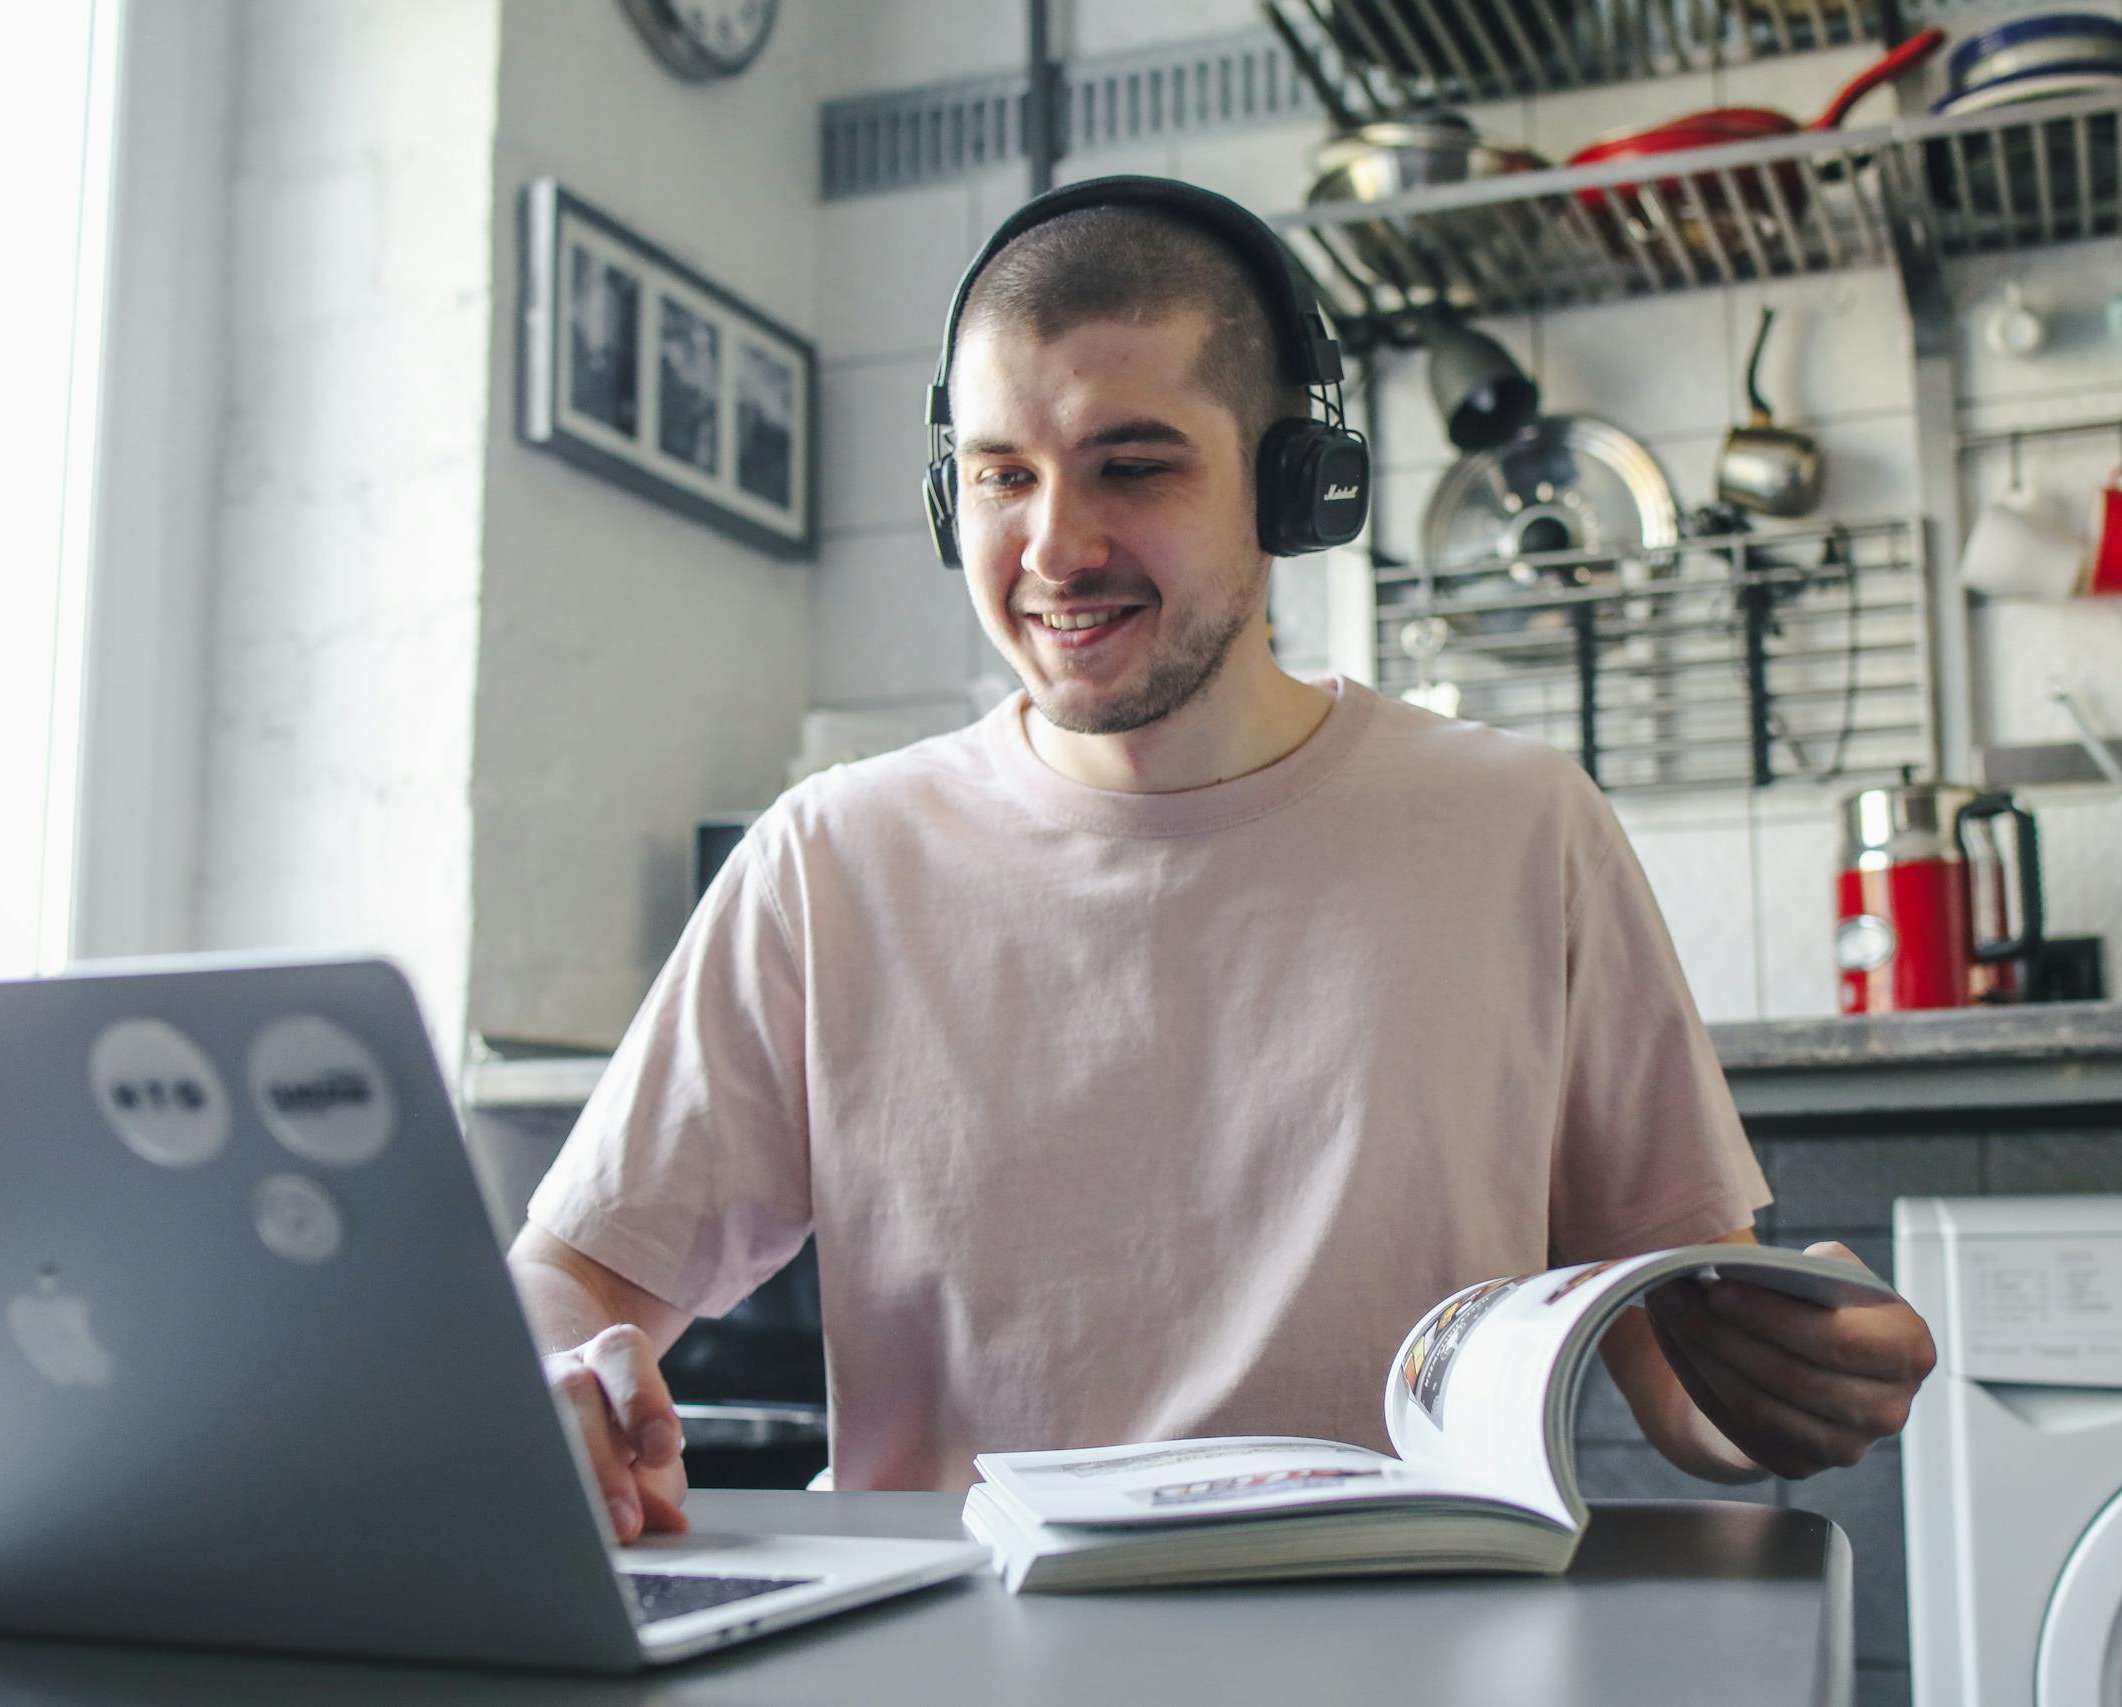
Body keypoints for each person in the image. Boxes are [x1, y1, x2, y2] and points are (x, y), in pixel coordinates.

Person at [508, 177, 1936, 1545]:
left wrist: (1794, 1390)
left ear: (1292, 487)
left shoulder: (1522, 828)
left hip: (1393, 1641)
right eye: (1003, 475)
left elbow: (1674, 1374)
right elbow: (570, 1278)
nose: (1055, 546)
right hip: (953, 1649)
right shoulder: (829, 860)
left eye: (1133, 466)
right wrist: (559, 1382)